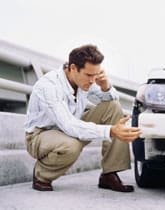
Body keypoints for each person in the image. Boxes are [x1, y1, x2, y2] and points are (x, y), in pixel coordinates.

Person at [24, 44, 141, 193]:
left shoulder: (84, 80)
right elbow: (69, 126)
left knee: (113, 107)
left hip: (68, 127)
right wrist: (111, 131)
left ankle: (109, 174)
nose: (93, 80)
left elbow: (109, 98)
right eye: (89, 75)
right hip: (40, 136)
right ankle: (42, 175)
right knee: (71, 145)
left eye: (95, 75)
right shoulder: (49, 86)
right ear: (73, 68)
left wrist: (105, 86)